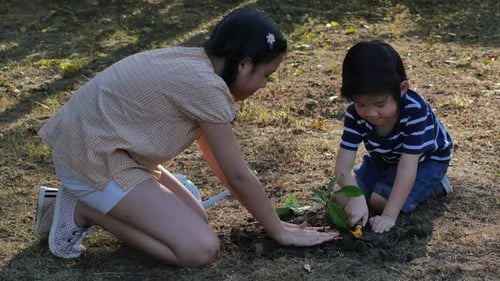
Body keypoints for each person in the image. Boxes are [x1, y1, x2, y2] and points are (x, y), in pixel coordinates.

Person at [33, 7, 337, 266]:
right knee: (199, 249)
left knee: (196, 220)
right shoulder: (208, 88)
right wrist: (279, 231)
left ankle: (62, 205)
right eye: (265, 76)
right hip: (93, 157)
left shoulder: (197, 65)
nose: (265, 85)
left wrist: (273, 221)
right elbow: (237, 176)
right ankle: (85, 209)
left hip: (114, 151)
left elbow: (221, 163)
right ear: (244, 64)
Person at [332, 41, 453, 234]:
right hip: (384, 159)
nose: (370, 113)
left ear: (402, 89)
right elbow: (342, 168)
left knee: (380, 200)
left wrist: (389, 216)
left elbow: (407, 167)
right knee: (340, 195)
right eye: (361, 104)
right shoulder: (354, 115)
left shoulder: (415, 111)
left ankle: (437, 184)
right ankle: (381, 184)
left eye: (380, 104)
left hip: (425, 162)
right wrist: (356, 199)